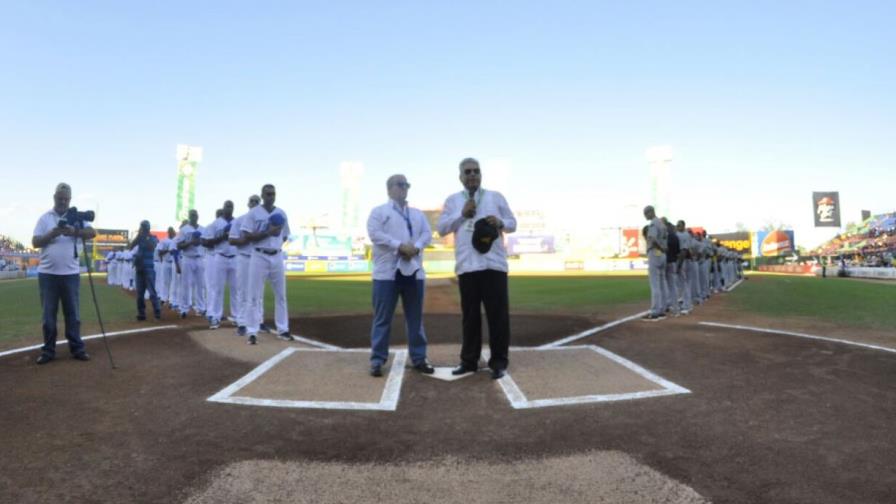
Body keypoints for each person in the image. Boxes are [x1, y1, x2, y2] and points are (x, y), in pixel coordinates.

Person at [437, 158, 517, 380]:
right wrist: (462, 214)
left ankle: (499, 362)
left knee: (498, 317)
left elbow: (513, 223)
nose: (472, 174)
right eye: (467, 171)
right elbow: (442, 228)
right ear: (460, 177)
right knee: (470, 317)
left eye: (476, 171)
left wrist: (500, 222)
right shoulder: (453, 201)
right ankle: (469, 361)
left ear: (481, 175)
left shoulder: (495, 197)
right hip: (467, 267)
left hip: (494, 264)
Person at [366, 174, 434, 377]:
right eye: (400, 184)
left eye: (406, 185)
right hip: (387, 274)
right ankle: (377, 360)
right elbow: (375, 234)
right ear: (389, 189)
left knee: (415, 318)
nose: (404, 188)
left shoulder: (417, 214)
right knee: (382, 319)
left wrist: (416, 247)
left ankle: (419, 358)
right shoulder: (379, 212)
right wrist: (399, 246)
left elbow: (426, 234)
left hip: (413, 271)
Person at [31, 183, 96, 364]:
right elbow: (35, 241)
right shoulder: (45, 218)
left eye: (66, 199)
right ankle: (48, 351)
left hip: (70, 274)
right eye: (60, 198)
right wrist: (53, 233)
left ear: (70, 200)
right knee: (48, 316)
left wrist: (74, 231)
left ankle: (77, 348)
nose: (62, 201)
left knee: (73, 314)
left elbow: (92, 232)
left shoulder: (76, 217)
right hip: (48, 274)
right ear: (54, 197)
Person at [240, 184, 293, 345]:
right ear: (262, 195)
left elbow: (285, 236)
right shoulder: (254, 213)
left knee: (281, 295)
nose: (271, 196)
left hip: (276, 255)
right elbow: (246, 236)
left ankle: (283, 330)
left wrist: (275, 241)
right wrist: (267, 233)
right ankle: (252, 331)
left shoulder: (281, 213)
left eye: (273, 194)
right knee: (254, 295)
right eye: (268, 194)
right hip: (259, 255)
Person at [229, 195, 261, 337]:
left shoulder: (262, 220)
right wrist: (244, 239)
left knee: (258, 292)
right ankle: (241, 323)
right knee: (242, 290)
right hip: (243, 257)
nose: (254, 203)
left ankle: (259, 321)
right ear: (248, 203)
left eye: (256, 201)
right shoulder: (239, 220)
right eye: (252, 201)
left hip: (258, 257)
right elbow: (231, 240)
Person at [204, 202, 238, 329]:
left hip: (235, 257)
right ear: (223, 209)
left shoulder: (238, 222)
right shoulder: (215, 224)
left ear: (233, 209)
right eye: (227, 206)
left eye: (231, 206)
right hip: (220, 257)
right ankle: (215, 317)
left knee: (236, 289)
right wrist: (223, 236)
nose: (229, 208)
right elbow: (207, 242)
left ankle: (237, 317)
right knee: (218, 289)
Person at [176, 210, 207, 318]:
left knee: (201, 284)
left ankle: (201, 308)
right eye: (192, 215)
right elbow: (179, 246)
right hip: (188, 258)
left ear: (198, 216)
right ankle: (184, 308)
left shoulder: (203, 229)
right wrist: (190, 242)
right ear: (189, 217)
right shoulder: (184, 229)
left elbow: (207, 243)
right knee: (186, 284)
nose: (194, 216)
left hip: (200, 258)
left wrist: (201, 242)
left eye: (195, 215)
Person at [129, 220, 162, 321]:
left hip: (149, 268)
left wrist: (144, 238)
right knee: (139, 294)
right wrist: (138, 238)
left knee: (152, 292)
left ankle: (157, 312)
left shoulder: (153, 238)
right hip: (139, 269)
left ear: (147, 228)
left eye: (142, 227)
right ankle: (141, 313)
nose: (141, 229)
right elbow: (130, 247)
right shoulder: (139, 238)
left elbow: (152, 246)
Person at [641, 205, 667, 321]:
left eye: (646, 213)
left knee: (655, 284)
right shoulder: (662, 224)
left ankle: (655, 311)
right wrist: (663, 249)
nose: (645, 215)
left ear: (651, 212)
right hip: (663, 255)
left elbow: (652, 238)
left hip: (655, 253)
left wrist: (659, 248)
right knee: (661, 284)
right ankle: (662, 310)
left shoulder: (653, 223)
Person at [157, 227, 177, 307]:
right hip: (166, 262)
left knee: (174, 282)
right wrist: (168, 250)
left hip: (174, 262)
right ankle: (164, 298)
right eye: (170, 231)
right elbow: (159, 252)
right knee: (165, 281)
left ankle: (172, 299)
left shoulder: (176, 240)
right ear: (168, 232)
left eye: (173, 231)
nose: (172, 232)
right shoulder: (164, 240)